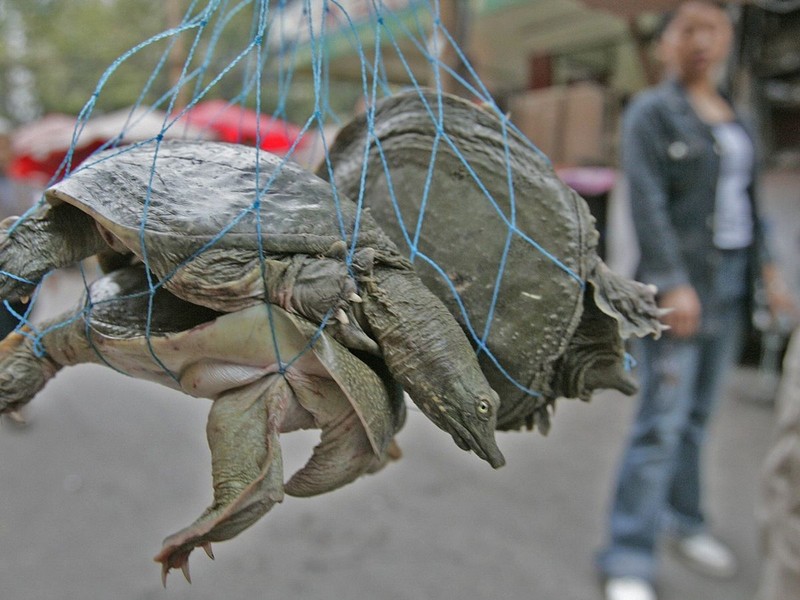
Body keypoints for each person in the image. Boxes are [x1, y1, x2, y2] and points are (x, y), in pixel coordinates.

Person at [595, 3, 795, 600]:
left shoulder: (735, 115)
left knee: (698, 421)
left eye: (713, 29)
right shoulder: (653, 113)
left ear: (728, 39)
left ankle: (684, 521)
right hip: (679, 291)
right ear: (667, 43)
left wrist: (771, 271)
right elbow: (648, 203)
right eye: (689, 30)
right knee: (661, 423)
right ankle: (627, 555)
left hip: (730, 286)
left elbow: (750, 204)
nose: (702, 41)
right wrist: (672, 280)